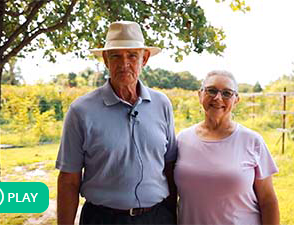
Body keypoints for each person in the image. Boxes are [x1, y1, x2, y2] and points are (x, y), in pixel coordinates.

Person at [56, 21, 177, 225]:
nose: (124, 64)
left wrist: (172, 214)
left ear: (144, 59)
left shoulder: (162, 104)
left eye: (132, 55)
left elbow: (170, 165)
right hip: (103, 219)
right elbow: (69, 179)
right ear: (105, 59)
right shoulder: (81, 111)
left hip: (157, 217)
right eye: (116, 56)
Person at [174, 70, 280, 225]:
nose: (217, 98)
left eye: (227, 93)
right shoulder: (182, 139)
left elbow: (268, 200)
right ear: (200, 95)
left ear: (236, 99)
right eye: (211, 90)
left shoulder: (252, 141)